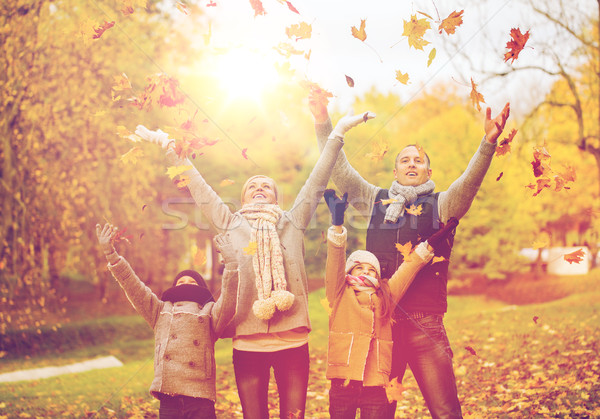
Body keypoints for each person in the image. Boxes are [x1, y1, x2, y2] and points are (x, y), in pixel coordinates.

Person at [134, 111, 373, 418]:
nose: (260, 188)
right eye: (252, 186)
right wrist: (169, 145)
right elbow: (198, 186)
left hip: (293, 341)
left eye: (267, 186)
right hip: (247, 345)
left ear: (277, 197)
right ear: (244, 198)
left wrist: (337, 132)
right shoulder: (230, 223)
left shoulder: (292, 221)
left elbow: (318, 177)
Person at [311, 99, 510, 418]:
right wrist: (323, 122)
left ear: (429, 171)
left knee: (445, 411)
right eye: (405, 160)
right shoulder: (375, 200)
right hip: (380, 324)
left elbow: (469, 184)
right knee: (379, 413)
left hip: (424, 324)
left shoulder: (442, 205)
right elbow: (340, 171)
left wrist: (487, 143)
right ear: (395, 170)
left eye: (418, 160)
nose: (412, 164)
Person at [322, 189, 458, 418]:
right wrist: (337, 226)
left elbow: (409, 268)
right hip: (344, 379)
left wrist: (429, 246)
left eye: (371, 269)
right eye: (359, 268)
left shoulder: (385, 295)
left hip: (376, 382)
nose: (366, 271)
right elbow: (335, 259)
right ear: (349, 271)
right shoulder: (339, 293)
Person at [95, 223, 239, 418]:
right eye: (181, 282)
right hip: (168, 397)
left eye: (192, 282)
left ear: (202, 289)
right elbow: (133, 286)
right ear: (173, 288)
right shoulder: (160, 310)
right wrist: (111, 254)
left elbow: (230, 299)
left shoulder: (210, 311)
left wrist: (231, 263)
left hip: (200, 396)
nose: (186, 284)